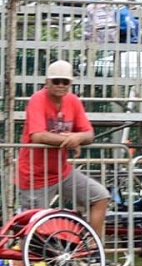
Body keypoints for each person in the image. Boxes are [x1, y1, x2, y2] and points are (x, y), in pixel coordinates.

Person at [17, 60, 110, 236]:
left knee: (100, 197)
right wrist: (69, 140)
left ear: (70, 84)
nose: (61, 85)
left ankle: (93, 249)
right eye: (56, 81)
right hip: (34, 175)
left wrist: (78, 137)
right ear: (47, 82)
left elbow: (89, 134)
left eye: (65, 82)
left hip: (62, 171)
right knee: (34, 227)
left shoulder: (73, 101)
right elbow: (38, 135)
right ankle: (23, 263)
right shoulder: (37, 100)